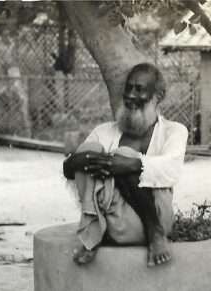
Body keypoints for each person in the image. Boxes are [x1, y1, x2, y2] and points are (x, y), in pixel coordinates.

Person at [63, 63, 188, 267]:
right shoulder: (104, 132)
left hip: (154, 219)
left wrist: (128, 163)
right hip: (112, 224)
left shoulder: (174, 131)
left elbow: (171, 169)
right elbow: (68, 169)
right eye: (128, 88)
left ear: (159, 96)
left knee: (125, 155)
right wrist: (83, 159)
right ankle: (92, 235)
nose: (130, 95)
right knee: (90, 149)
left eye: (139, 90)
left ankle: (156, 235)